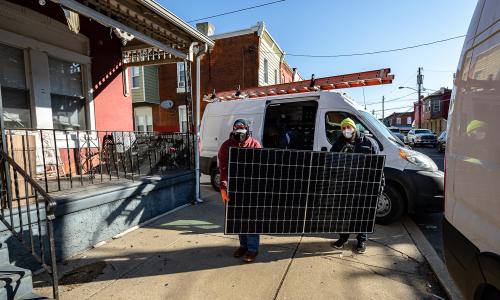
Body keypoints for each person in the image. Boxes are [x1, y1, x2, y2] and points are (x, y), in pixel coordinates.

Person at [330, 117, 381, 254]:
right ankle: (343, 238)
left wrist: (380, 184)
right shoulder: (338, 144)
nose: (347, 130)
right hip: (345, 185)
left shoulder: (369, 143)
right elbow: (330, 162)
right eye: (344, 128)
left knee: (363, 213)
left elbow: (378, 166)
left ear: (354, 128)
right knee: (344, 214)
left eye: (349, 127)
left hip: (363, 185)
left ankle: (361, 240)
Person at [218, 119, 262, 262]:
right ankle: (243, 246)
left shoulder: (255, 144)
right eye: (237, 133)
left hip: (251, 188)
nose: (240, 137)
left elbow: (261, 166)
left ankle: (252, 249)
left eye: (242, 133)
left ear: (247, 131)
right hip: (233, 187)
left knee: (251, 219)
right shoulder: (227, 145)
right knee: (238, 219)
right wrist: (224, 183)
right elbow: (223, 166)